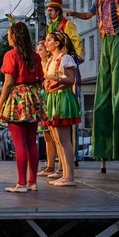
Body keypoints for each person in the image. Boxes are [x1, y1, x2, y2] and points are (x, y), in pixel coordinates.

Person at [67, 0, 119, 175]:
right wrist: (74, 13)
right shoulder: (98, 3)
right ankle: (104, 151)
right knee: (104, 85)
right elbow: (88, 16)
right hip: (106, 42)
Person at [0, 22, 46, 193]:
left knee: (19, 144)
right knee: (32, 142)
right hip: (32, 96)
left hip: (17, 97)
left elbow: (8, 82)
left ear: (15, 36)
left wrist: (0, 105)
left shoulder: (11, 55)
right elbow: (41, 79)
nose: (8, 37)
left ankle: (21, 183)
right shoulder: (35, 56)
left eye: (10, 34)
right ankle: (32, 182)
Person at [42, 31, 81, 187]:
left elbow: (71, 80)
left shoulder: (65, 58)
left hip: (62, 97)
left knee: (64, 140)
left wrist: (55, 79)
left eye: (49, 40)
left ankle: (69, 176)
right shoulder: (52, 59)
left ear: (57, 43)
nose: (46, 43)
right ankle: (64, 174)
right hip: (53, 97)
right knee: (57, 139)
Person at [36, 40, 58, 177]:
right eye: (38, 50)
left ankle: (60, 166)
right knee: (46, 135)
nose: (39, 52)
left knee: (56, 135)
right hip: (43, 100)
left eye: (41, 50)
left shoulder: (51, 63)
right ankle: (50, 165)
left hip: (51, 97)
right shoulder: (38, 65)